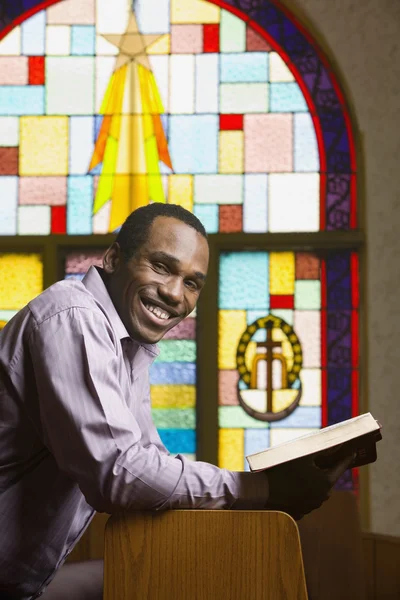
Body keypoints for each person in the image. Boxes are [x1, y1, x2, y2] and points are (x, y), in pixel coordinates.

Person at [0, 203, 353, 599]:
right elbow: (118, 473)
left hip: (22, 585)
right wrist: (260, 488)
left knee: (171, 577)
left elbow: (149, 465)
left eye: (192, 283)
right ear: (114, 258)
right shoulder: (73, 317)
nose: (174, 294)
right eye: (162, 267)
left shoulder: (128, 348)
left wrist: (272, 486)